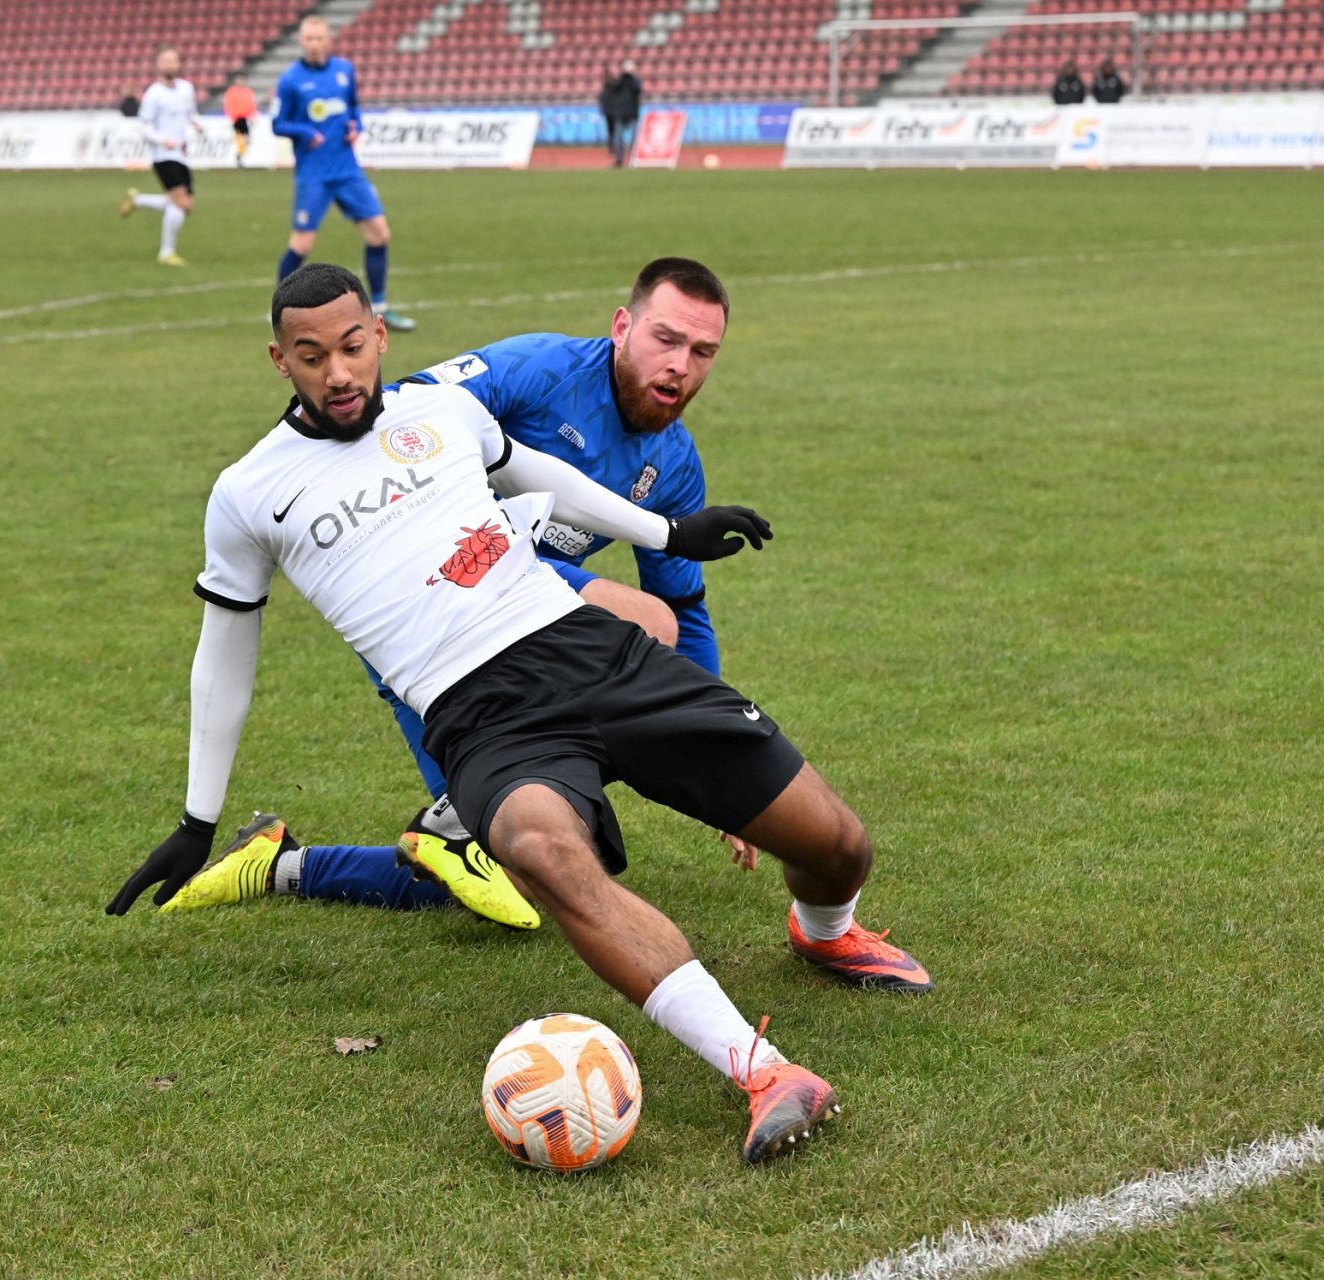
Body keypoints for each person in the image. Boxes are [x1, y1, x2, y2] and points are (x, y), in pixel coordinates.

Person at [108, 263, 932, 1164]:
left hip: (583, 648)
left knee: (837, 845)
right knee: (542, 852)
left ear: (378, 335)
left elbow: (536, 471)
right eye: (312, 357)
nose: (338, 374)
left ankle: (824, 933)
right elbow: (224, 655)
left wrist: (665, 534)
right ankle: (765, 1073)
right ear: (280, 360)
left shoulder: (440, 412)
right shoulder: (246, 493)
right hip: (479, 716)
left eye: (351, 347)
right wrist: (196, 820)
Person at [269, 16, 415, 332]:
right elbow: (277, 124)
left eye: (319, 38)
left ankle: (380, 307)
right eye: (308, 39)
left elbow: (354, 110)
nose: (314, 44)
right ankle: (280, 313)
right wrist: (305, 132)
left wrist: (355, 127)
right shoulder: (290, 79)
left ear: (328, 40)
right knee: (301, 245)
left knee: (379, 234)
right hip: (313, 174)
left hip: (348, 171)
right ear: (301, 42)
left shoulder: (344, 70)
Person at [118, 45, 201, 267]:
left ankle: (137, 200)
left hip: (182, 154)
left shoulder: (187, 89)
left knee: (185, 205)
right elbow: (143, 126)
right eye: (165, 61)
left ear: (179, 64)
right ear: (158, 65)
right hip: (163, 155)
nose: (169, 65)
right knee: (181, 203)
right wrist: (162, 139)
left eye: (172, 60)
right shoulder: (153, 94)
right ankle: (166, 252)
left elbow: (191, 114)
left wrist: (198, 124)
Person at [599, 60, 643, 168]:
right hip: (620, 114)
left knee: (634, 138)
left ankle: (633, 159)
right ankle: (619, 159)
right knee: (618, 138)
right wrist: (623, 77)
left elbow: (637, 89)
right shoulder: (619, 81)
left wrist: (630, 77)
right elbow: (612, 88)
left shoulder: (635, 81)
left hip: (632, 113)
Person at [222, 73, 258, 167]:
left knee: (246, 139)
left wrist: (253, 115)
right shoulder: (232, 92)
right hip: (236, 118)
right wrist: (231, 117)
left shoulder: (247, 91)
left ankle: (239, 155)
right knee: (242, 138)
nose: (241, 81)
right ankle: (238, 156)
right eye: (239, 79)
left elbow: (251, 105)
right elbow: (229, 105)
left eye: (242, 79)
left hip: (245, 118)